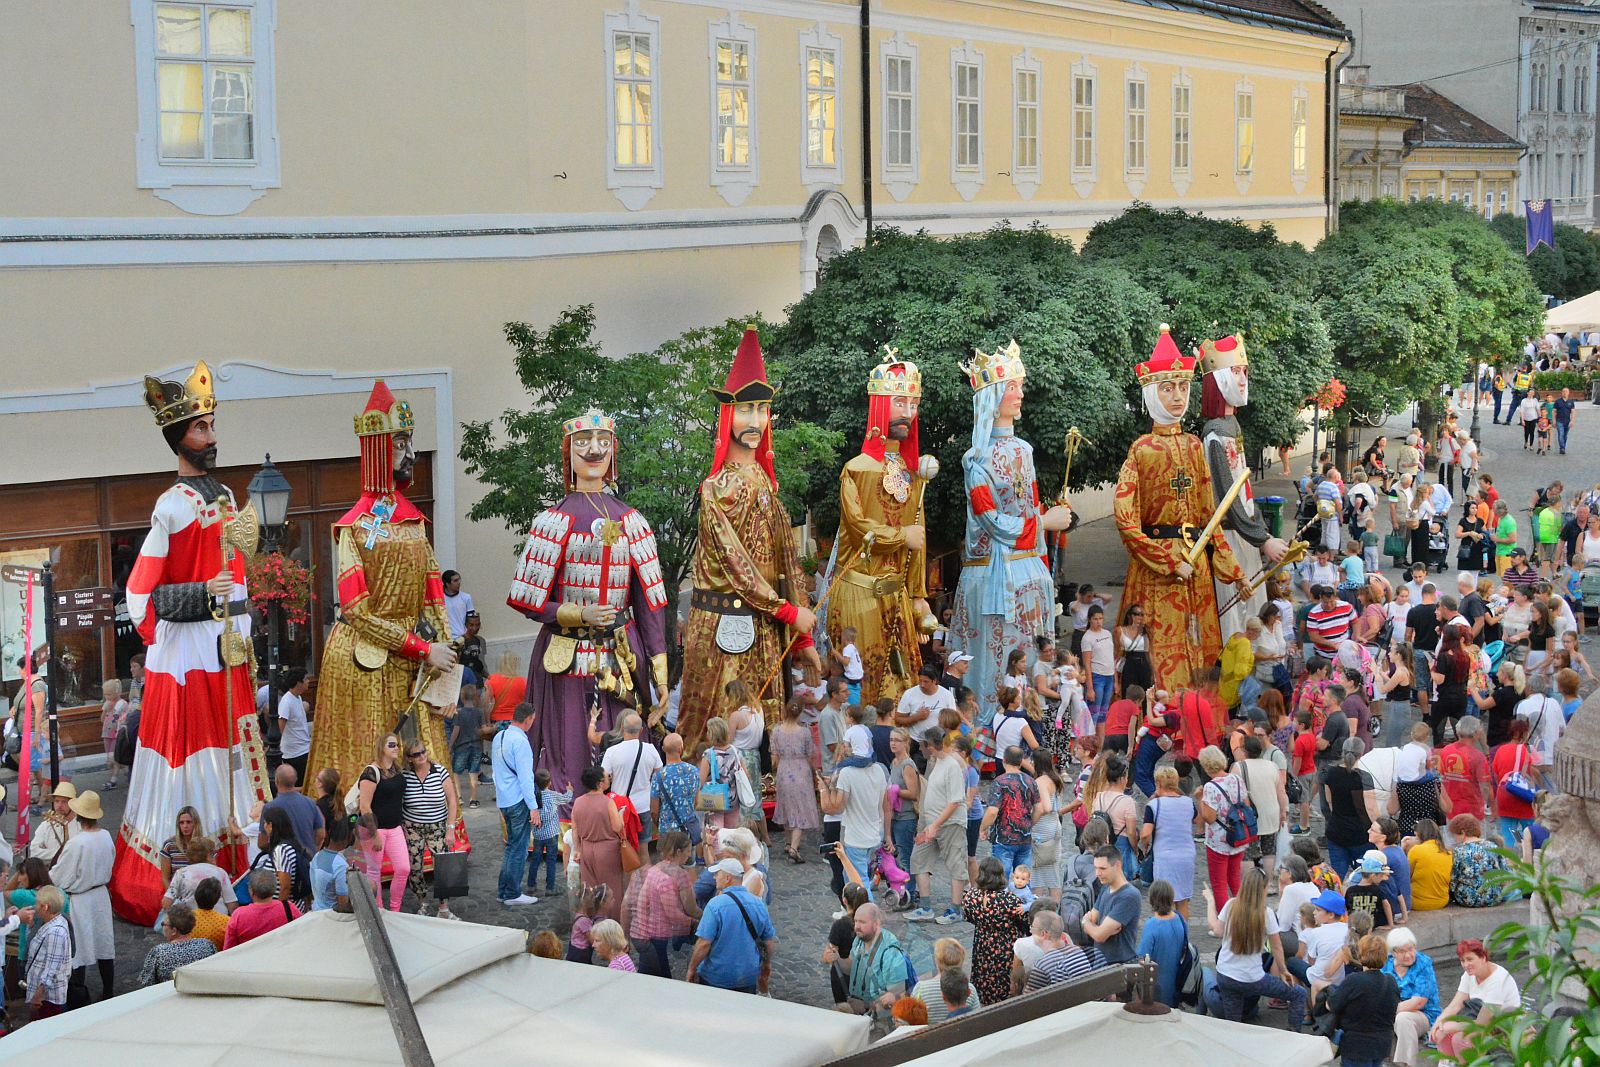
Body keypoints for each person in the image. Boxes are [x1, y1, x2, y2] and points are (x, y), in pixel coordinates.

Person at [114, 362, 272, 924]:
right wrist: (203, 594)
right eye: (201, 428)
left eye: (211, 425)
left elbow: (239, 576)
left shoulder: (226, 496)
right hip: (185, 654)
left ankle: (240, 852)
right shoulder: (172, 505)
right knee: (193, 749)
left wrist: (242, 631)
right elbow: (140, 596)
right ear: (178, 437)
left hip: (223, 649)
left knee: (233, 747)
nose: (211, 436)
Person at [305, 381, 457, 827]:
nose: (409, 453)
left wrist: (447, 660)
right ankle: (356, 834)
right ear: (376, 448)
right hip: (365, 660)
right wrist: (422, 648)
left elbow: (433, 591)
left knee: (421, 748)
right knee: (368, 748)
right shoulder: (354, 528)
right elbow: (355, 610)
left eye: (409, 442)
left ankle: (427, 831)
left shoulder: (414, 520)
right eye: (400, 443)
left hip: (415, 660)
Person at [509, 413, 669, 795]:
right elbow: (528, 600)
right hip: (567, 654)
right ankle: (566, 811)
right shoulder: (551, 521)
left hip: (623, 655)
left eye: (603, 441)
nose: (594, 449)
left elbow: (650, 605)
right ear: (568, 452)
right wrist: (579, 613)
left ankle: (628, 811)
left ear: (614, 450)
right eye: (583, 441)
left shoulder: (633, 521)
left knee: (624, 736)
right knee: (567, 744)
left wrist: (660, 673)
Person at [679, 331, 820, 749]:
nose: (756, 421)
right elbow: (737, 567)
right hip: (724, 627)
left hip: (767, 626)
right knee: (721, 731)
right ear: (727, 415)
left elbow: (788, 562)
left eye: (762, 410)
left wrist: (803, 637)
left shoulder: (765, 483)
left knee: (765, 731)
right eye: (745, 410)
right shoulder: (715, 490)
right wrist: (789, 612)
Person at [947, 342, 1071, 732]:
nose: (1020, 394)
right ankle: (987, 731)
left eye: (1019, 385)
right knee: (992, 661)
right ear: (992, 398)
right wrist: (1044, 522)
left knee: (1029, 660)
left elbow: (1027, 504)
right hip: (992, 575)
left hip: (1027, 570)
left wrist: (1043, 533)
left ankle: (1032, 728)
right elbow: (991, 520)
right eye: (1011, 387)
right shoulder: (976, 459)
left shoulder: (1024, 451)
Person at [1116, 328, 1246, 691]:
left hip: (1197, 566)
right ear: (1151, 393)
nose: (1177, 396)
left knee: (1200, 650)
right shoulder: (1141, 449)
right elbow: (1126, 520)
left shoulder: (1193, 445)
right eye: (1167, 388)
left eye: (1183, 388)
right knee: (1159, 653)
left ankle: (1198, 716)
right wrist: (1168, 560)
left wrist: (1234, 571)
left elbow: (1210, 514)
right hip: (1158, 571)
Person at [826, 356, 935, 705]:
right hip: (859, 593)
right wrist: (902, 536)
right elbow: (860, 528)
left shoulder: (912, 473)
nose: (909, 413)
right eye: (900, 403)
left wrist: (918, 596)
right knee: (860, 690)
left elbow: (919, 535)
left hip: (897, 598)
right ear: (879, 406)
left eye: (914, 405)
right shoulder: (856, 470)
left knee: (902, 689)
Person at [1205, 868, 1305, 1030]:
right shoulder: (1266, 913)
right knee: (1299, 994)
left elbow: (1217, 930)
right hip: (1252, 978)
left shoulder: (1231, 905)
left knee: (1233, 1022)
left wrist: (1210, 901)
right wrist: (1283, 970)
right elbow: (1276, 946)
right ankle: (1293, 1034)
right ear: (1262, 889)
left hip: (1226, 975)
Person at [52, 789, 115, 1000]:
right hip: (101, 894)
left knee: (79, 944)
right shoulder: (106, 836)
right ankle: (108, 989)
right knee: (104, 941)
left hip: (80, 897)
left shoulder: (77, 842)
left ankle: (79, 992)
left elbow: (60, 875)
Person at [686, 857, 776, 994]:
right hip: (748, 975)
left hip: (717, 975)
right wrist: (766, 964)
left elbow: (704, 943)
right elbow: (768, 941)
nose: (715, 877)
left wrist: (692, 969)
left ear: (728, 878)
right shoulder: (758, 904)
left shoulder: (715, 905)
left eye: (718, 874)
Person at [907, 732, 970, 923]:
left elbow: (955, 801)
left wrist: (935, 825)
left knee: (956, 865)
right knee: (918, 859)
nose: (919, 749)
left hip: (950, 825)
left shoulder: (952, 766)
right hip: (931, 825)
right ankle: (925, 907)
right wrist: (927, 825)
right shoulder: (937, 762)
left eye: (922, 745)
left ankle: (956, 910)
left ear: (931, 746)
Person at [819, 735, 890, 901]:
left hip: (854, 834)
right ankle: (858, 909)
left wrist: (824, 789)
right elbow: (885, 806)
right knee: (852, 874)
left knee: (857, 879)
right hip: (872, 831)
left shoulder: (847, 773)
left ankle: (867, 910)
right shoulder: (877, 770)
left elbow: (833, 808)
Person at [1431, 939, 1522, 1060]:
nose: (1465, 965)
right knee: (1439, 1033)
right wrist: (1439, 1022)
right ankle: (1449, 1062)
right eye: (1462, 960)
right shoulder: (1470, 974)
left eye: (1470, 959)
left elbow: (1482, 1023)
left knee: (1460, 1039)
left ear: (1483, 957)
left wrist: (1453, 1026)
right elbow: (1455, 1005)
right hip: (1476, 1016)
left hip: (1501, 1027)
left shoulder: (1499, 979)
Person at [400, 737, 459, 919]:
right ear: (409, 758)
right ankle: (422, 902)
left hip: (437, 826)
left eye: (423, 752)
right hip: (413, 827)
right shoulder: (404, 775)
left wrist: (450, 829)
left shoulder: (439, 771)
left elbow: (452, 800)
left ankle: (444, 908)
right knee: (414, 867)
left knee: (442, 866)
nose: (421, 756)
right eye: (416, 754)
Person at [492, 702, 543, 906]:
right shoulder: (521, 742)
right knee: (519, 849)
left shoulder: (499, 737)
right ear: (528, 719)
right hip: (518, 800)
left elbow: (496, 772)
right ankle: (512, 893)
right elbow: (525, 778)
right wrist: (533, 807)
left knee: (511, 847)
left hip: (504, 799)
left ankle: (504, 891)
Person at [629, 831, 699, 978]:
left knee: (650, 971)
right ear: (678, 852)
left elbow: (642, 901)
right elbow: (675, 913)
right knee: (662, 975)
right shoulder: (674, 876)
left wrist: (643, 929)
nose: (689, 855)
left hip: (648, 933)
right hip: (661, 934)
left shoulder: (654, 870)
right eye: (688, 851)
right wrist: (694, 921)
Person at [1325, 933, 1402, 1066]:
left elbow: (1331, 1006)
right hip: (1382, 1044)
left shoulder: (1354, 980)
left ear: (1361, 956)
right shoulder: (1391, 981)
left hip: (1357, 1045)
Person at [355, 733, 410, 912]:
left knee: (403, 868)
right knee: (374, 871)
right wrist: (374, 833)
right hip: (375, 828)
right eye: (391, 745)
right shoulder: (371, 772)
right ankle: (378, 909)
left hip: (394, 827)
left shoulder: (396, 769)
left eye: (397, 745)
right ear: (381, 748)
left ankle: (395, 909)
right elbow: (364, 805)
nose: (396, 748)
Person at [961, 856, 1027, 1004]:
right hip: (1005, 948)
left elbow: (968, 917)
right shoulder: (1009, 900)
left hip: (982, 945)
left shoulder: (970, 896)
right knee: (1004, 984)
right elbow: (1024, 923)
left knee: (983, 978)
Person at [839, 902, 910, 1022]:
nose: (857, 926)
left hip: (881, 1022)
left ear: (876, 923)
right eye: (855, 921)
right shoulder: (859, 940)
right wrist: (837, 959)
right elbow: (851, 968)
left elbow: (897, 998)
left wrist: (866, 1006)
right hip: (858, 1011)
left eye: (862, 922)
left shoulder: (891, 954)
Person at [1196, 746, 1249, 906]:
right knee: (1235, 878)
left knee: (1219, 883)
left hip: (1219, 840)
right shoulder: (1236, 779)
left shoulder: (1210, 787)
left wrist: (1200, 799)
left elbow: (1209, 818)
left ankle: (1224, 917)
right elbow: (1246, 805)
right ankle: (1243, 913)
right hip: (1238, 834)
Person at [770, 699, 820, 865]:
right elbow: (810, 754)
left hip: (784, 769)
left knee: (786, 806)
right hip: (801, 770)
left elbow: (775, 756)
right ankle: (794, 848)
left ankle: (788, 842)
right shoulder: (804, 732)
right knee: (800, 808)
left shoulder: (776, 731)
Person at [572, 765, 625, 921]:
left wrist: (578, 850)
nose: (609, 779)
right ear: (600, 783)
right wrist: (621, 815)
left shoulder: (578, 802)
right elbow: (617, 827)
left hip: (586, 848)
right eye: (607, 777)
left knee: (590, 890)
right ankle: (611, 924)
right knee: (611, 890)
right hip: (607, 849)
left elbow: (575, 829)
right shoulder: (608, 802)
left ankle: (591, 922)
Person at [979, 746, 1039, 878]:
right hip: (1025, 837)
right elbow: (1040, 809)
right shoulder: (1030, 781)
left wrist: (983, 828)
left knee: (1001, 879)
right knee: (1023, 879)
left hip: (1003, 838)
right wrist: (1029, 823)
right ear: (1021, 761)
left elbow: (992, 812)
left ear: (1004, 760)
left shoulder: (999, 782)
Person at [1324, 737, 1379, 879]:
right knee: (1364, 875)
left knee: (1337, 876)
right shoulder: (1363, 777)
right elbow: (1371, 809)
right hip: (1360, 834)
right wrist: (1379, 829)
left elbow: (1330, 802)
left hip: (1336, 830)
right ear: (1361, 753)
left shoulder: (1331, 773)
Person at [1082, 844, 1142, 964]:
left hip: (1119, 966)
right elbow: (1092, 920)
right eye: (1096, 868)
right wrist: (1092, 925)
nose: (1097, 873)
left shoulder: (1129, 896)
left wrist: (1087, 923)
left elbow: (1099, 935)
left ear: (1117, 866)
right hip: (1100, 963)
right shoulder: (1106, 887)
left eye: (1102, 868)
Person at [1490, 719, 1543, 850]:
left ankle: (1511, 858)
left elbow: (1496, 774)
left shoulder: (1501, 750)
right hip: (1522, 796)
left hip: (1505, 795)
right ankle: (1526, 853)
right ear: (1524, 733)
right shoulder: (1526, 750)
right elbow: (1534, 773)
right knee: (1530, 833)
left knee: (1508, 835)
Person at [137, 902, 217, 986]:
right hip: (202, 989)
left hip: (171, 992)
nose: (162, 927)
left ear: (174, 931)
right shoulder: (207, 945)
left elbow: (147, 983)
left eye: (163, 924)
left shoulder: (158, 953)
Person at [1136, 880, 1188, 1007]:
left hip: (1157, 986)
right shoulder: (1180, 919)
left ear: (1152, 900)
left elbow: (1143, 958)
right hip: (1177, 980)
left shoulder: (1152, 925)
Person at [24, 885, 70, 1021]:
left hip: (48, 998)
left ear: (45, 907)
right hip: (45, 996)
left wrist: (38, 995)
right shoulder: (52, 923)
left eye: (37, 904)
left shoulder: (55, 932)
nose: (35, 907)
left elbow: (51, 968)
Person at [910, 937, 981, 1022]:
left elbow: (912, 1019)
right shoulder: (969, 988)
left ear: (937, 961)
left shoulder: (920, 989)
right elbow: (977, 1017)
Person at [223, 869, 299, 948]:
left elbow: (228, 949)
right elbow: (302, 931)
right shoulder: (288, 908)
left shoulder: (239, 915)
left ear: (251, 890)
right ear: (274, 888)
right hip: (283, 953)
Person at [1447, 814, 1509, 907]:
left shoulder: (1459, 851)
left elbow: (1454, 878)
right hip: (1493, 896)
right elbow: (1505, 872)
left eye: (1454, 835)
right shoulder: (1493, 846)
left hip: (1468, 898)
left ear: (1463, 832)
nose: (1454, 839)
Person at [447, 683, 484, 809]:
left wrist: (450, 744)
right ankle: (473, 799)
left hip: (461, 746)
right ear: (475, 697)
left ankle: (459, 797)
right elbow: (482, 730)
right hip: (476, 746)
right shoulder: (479, 712)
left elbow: (456, 730)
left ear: (462, 698)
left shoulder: (459, 713)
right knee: (474, 772)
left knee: (456, 772)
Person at [275, 668, 314, 786]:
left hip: (304, 748)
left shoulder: (298, 698)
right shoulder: (287, 702)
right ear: (298, 683)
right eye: (305, 679)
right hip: (295, 753)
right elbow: (281, 722)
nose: (308, 681)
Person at [1405, 818, 1452, 912]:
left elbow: (1405, 877)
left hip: (1418, 902)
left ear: (1419, 835)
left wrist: (1403, 847)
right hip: (1442, 901)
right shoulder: (1448, 852)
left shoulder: (1416, 850)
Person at [311, 815, 352, 911]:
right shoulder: (340, 865)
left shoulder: (317, 856)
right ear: (348, 837)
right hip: (332, 916)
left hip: (316, 911)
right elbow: (343, 904)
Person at [99, 678, 129, 789]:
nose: (107, 697)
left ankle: (113, 779)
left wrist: (114, 712)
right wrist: (105, 710)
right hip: (107, 733)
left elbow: (119, 719)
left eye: (109, 694)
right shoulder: (107, 703)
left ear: (116, 693)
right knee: (110, 758)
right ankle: (127, 772)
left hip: (117, 734)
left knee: (113, 757)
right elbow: (102, 719)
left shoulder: (122, 704)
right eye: (105, 694)